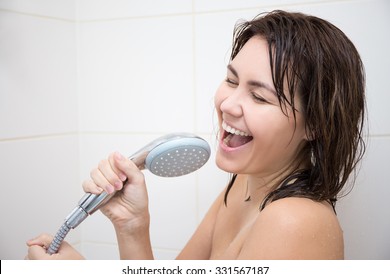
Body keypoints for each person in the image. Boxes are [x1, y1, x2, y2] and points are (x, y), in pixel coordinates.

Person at [25, 10, 366, 260]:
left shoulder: (294, 221)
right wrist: (133, 225)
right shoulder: (243, 186)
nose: (229, 105)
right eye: (232, 80)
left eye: (260, 96)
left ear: (315, 124)